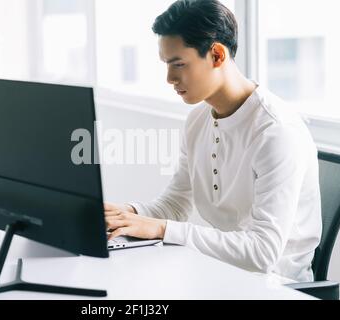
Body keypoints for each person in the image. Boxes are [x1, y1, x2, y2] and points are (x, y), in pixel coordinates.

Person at [104, 0, 322, 283]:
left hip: (277, 287)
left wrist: (161, 229)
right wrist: (126, 215)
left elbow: (262, 253)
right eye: (166, 64)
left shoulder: (275, 131)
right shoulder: (198, 120)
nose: (169, 78)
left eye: (178, 64)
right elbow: (175, 204)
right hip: (218, 273)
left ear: (217, 55)